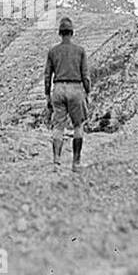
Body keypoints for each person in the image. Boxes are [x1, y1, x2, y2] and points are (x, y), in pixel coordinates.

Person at [44, 16, 90, 170]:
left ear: (60, 33)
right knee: (78, 126)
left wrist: (47, 95)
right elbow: (86, 75)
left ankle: (56, 162)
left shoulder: (53, 51)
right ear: (72, 32)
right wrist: (87, 92)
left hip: (58, 88)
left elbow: (47, 75)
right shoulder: (80, 51)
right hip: (75, 88)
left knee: (58, 127)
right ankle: (76, 163)